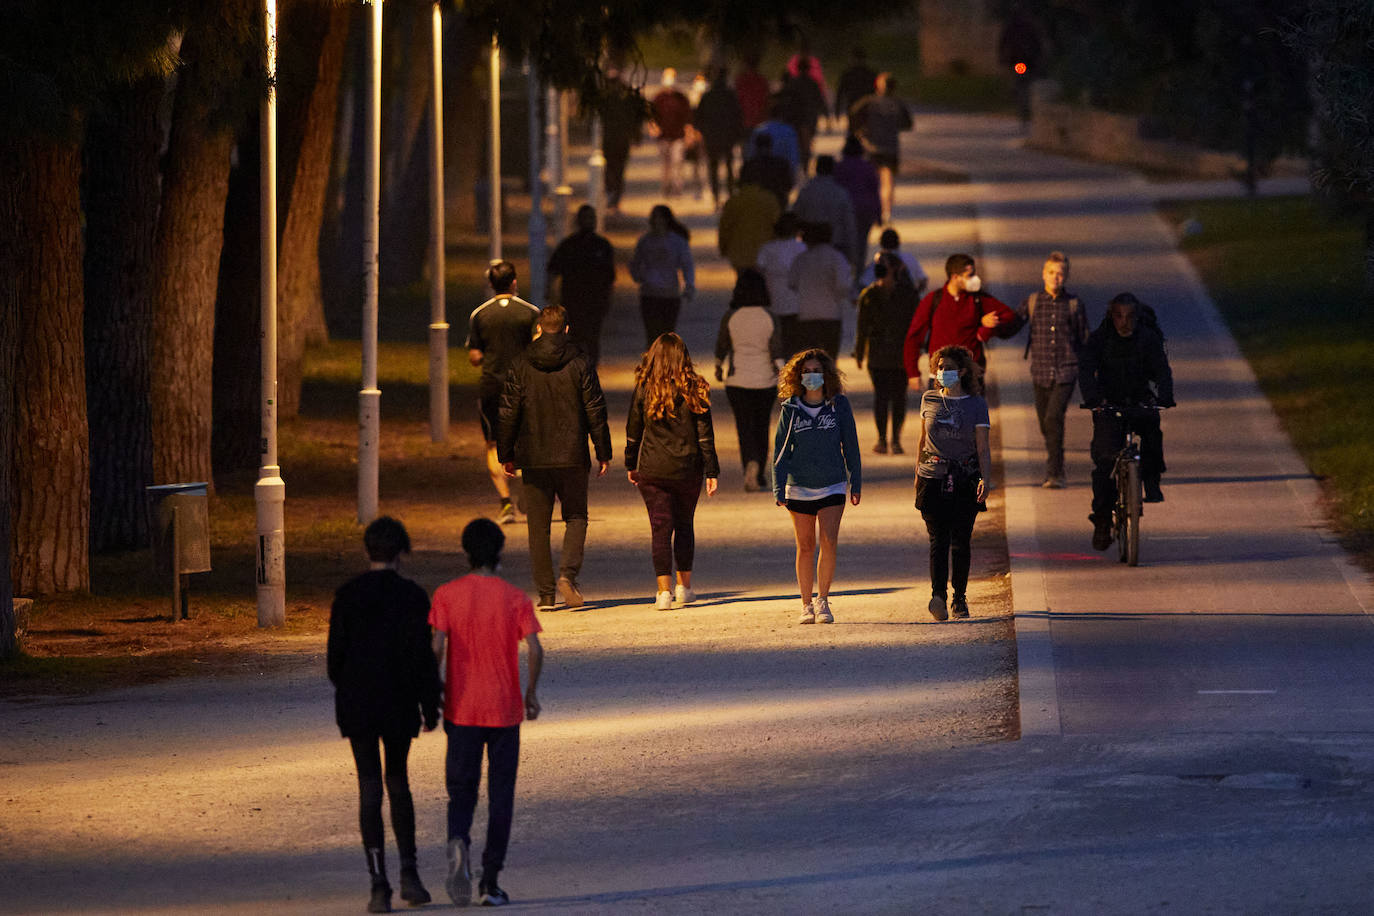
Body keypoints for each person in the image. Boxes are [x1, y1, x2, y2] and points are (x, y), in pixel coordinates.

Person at [328, 516, 442, 914]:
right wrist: (431, 704)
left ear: (367, 550)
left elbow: (334, 662)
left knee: (368, 786)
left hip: (359, 703)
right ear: (401, 552)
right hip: (398, 701)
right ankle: (410, 872)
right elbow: (423, 659)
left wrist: (349, 690)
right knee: (398, 781)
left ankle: (378, 882)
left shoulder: (347, 595)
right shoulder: (412, 596)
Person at [431, 518, 544, 908]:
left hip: (461, 708)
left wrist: (437, 688)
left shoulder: (447, 594)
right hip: (504, 708)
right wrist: (530, 692)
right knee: (501, 796)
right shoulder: (514, 598)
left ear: (466, 552)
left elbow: (438, 646)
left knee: (461, 790)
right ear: (499, 552)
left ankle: (458, 839)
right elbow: (535, 648)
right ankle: (489, 882)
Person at [496, 305, 613, 611]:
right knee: (575, 516)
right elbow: (595, 409)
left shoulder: (521, 363)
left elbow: (508, 413)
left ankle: (546, 594)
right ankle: (567, 576)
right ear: (566, 329)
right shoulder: (580, 361)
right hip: (572, 454)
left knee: (538, 525)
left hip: (533, 456)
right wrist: (603, 451)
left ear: (539, 328)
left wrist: (506, 454)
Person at [625, 333, 721, 610]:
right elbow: (705, 436)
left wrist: (631, 464)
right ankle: (684, 587)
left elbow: (634, 431)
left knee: (659, 528)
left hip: (653, 469)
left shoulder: (645, 387)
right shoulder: (696, 388)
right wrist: (711, 470)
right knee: (684, 525)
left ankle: (663, 592)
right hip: (688, 469)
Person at [771, 349, 862, 625]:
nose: (812, 376)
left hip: (833, 483)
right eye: (807, 372)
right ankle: (805, 604)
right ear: (799, 377)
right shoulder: (791, 408)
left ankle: (823, 600)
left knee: (829, 541)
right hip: (799, 485)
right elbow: (780, 451)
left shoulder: (838, 406)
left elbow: (852, 445)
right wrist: (778, 488)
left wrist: (855, 481)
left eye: (816, 371)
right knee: (806, 546)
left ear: (826, 375)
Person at [1079, 293, 1175, 550]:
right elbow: (1086, 369)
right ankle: (1101, 520)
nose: (1125, 322)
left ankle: (1152, 480)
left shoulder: (1147, 339)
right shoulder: (1100, 339)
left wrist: (1165, 397)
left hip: (1139, 399)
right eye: (1120, 316)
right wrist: (1094, 399)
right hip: (1108, 403)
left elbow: (1162, 370)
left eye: (1130, 316)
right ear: (1112, 315)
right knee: (1104, 461)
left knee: (1153, 433)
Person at [914, 345, 992, 621]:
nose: (943, 372)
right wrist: (917, 474)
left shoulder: (976, 404)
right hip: (932, 477)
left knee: (961, 539)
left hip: (964, 478)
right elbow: (923, 440)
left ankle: (960, 597)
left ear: (961, 371)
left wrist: (986, 478)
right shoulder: (929, 399)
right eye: (940, 368)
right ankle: (938, 596)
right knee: (938, 538)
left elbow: (982, 447)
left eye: (949, 368)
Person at [467, 260, 540, 525]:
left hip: (492, 387)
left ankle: (506, 503)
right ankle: (526, 486)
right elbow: (538, 345)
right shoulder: (530, 313)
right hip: (523, 386)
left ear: (490, 284)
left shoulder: (480, 315)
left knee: (493, 444)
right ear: (515, 283)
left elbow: (475, 356)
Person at [1011, 251, 1090, 488]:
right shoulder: (1033, 302)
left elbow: (1084, 339)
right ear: (1044, 274)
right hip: (1041, 371)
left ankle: (1055, 472)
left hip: (1066, 370)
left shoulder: (1074, 304)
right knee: (1045, 423)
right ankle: (1055, 454)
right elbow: (1012, 324)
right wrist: (989, 325)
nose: (1056, 278)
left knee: (1054, 417)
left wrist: (1092, 369)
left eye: (1061, 274)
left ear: (1066, 277)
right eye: (1052, 273)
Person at [902, 253, 1020, 387]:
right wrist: (913, 373)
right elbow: (914, 336)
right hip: (941, 376)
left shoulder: (977, 299)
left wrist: (986, 328)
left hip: (970, 375)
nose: (975, 279)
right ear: (955, 277)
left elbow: (1009, 317)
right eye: (969, 275)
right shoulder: (933, 300)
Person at [714, 269, 785, 491]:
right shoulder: (769, 316)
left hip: (737, 381)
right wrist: (785, 375)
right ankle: (760, 470)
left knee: (744, 426)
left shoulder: (731, 316)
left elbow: (722, 344)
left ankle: (749, 464)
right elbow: (777, 351)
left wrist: (718, 366)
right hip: (765, 380)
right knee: (761, 425)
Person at [855, 252, 920, 455]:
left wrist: (859, 353)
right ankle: (887, 440)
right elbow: (862, 326)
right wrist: (859, 351)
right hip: (886, 354)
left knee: (891, 397)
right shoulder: (874, 295)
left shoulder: (901, 295)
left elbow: (915, 326)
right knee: (888, 397)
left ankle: (890, 440)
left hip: (892, 354)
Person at [546, 205, 615, 366]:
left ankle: (590, 370)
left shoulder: (602, 246)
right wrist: (550, 292)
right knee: (573, 337)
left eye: (591, 218)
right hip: (572, 300)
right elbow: (553, 269)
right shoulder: (569, 245)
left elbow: (609, 277)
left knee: (592, 338)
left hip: (595, 301)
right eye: (585, 218)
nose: (588, 222)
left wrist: (608, 299)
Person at [848, 73, 913, 225]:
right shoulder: (898, 104)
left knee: (872, 181)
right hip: (890, 147)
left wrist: (859, 131)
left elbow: (853, 113)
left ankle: (874, 210)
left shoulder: (868, 102)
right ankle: (886, 212)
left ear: (877, 85)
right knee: (888, 180)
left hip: (871, 147)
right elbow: (908, 124)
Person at [629, 204, 695, 346]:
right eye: (654, 218)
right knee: (652, 333)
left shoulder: (677, 242)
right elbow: (636, 262)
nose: (656, 221)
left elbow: (687, 264)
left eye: (659, 217)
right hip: (649, 293)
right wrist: (638, 276)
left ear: (666, 220)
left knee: (667, 335)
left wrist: (689, 284)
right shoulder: (645, 241)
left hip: (670, 294)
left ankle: (666, 364)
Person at [787, 221, 852, 358]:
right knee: (829, 360)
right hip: (831, 315)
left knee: (810, 361)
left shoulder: (801, 259)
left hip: (806, 316)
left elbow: (791, 282)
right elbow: (844, 285)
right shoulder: (836, 257)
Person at [692, 68, 744, 208]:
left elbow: (697, 118)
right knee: (728, 167)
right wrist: (737, 135)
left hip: (712, 138)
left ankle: (716, 198)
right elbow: (738, 117)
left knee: (713, 168)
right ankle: (729, 196)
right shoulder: (731, 96)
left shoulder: (708, 96)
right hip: (727, 137)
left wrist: (704, 132)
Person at [599, 67, 648, 214]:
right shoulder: (609, 97)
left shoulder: (617, 97)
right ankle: (613, 197)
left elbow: (637, 117)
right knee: (614, 170)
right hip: (615, 140)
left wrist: (636, 135)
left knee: (615, 170)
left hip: (617, 140)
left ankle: (614, 198)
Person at [755, 211, 806, 352]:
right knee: (795, 345)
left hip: (773, 301)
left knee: (777, 345)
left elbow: (758, 270)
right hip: (797, 304)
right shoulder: (802, 248)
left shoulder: (766, 248)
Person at [833, 135, 882, 276]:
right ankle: (859, 273)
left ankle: (846, 272)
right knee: (861, 243)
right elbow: (874, 192)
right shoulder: (868, 168)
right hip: (865, 211)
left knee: (844, 242)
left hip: (844, 211)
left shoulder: (839, 167)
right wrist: (878, 215)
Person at [718, 177, 782, 274]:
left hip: (739, 254)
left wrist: (723, 247)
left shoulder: (733, 201)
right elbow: (778, 226)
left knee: (743, 282)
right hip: (764, 252)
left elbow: (725, 228)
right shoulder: (769, 200)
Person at [774, 68, 826, 172]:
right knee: (805, 149)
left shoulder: (780, 95)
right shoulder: (805, 87)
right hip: (802, 124)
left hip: (790, 125)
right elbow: (818, 102)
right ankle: (804, 169)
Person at [651, 68, 692, 197]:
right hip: (663, 136)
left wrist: (689, 134)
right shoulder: (658, 98)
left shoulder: (681, 98)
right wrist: (653, 128)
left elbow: (688, 117)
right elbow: (651, 117)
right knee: (666, 164)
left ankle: (677, 188)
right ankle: (666, 187)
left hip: (678, 136)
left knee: (677, 162)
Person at [858, 227, 928, 292]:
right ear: (898, 243)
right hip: (908, 300)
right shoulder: (910, 258)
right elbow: (923, 281)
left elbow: (864, 284)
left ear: (881, 244)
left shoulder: (878, 262)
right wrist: (914, 294)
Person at [738, 132, 794, 209]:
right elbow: (789, 185)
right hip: (777, 206)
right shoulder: (781, 164)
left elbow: (741, 187)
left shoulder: (749, 165)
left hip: (754, 209)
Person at [746, 104, 801, 180]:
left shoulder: (759, 130)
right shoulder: (788, 131)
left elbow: (750, 153)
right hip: (781, 174)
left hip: (760, 173)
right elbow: (793, 156)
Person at [833, 47, 877, 125]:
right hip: (867, 107)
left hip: (853, 107)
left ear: (853, 59)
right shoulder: (870, 73)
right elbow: (877, 92)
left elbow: (840, 93)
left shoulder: (848, 74)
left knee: (854, 131)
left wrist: (837, 110)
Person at [734, 52, 771, 132]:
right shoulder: (762, 81)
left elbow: (737, 100)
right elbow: (766, 101)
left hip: (744, 122)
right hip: (760, 123)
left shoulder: (741, 81)